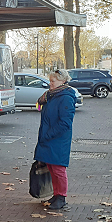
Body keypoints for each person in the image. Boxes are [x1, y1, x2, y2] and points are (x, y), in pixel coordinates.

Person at [34, 69, 76, 210]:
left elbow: (65, 123)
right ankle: (56, 195)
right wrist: (40, 104)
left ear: (62, 81)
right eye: (50, 80)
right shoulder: (50, 96)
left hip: (57, 139)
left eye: (53, 81)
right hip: (49, 137)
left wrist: (48, 134)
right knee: (51, 167)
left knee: (58, 169)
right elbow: (41, 109)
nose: (50, 84)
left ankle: (62, 197)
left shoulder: (66, 97)